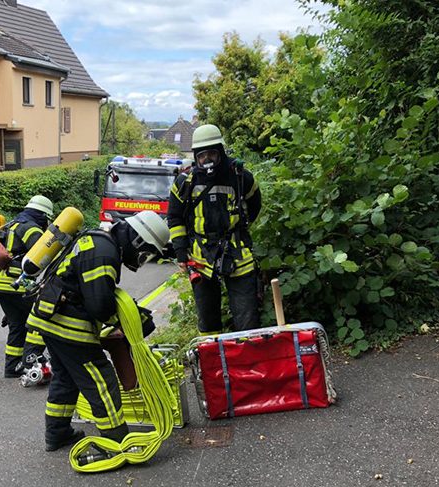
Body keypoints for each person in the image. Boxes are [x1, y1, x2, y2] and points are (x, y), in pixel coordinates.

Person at [26, 210, 170, 452]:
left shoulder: (97, 241)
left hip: (52, 321)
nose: (142, 258)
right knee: (102, 381)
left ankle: (57, 433)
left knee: (66, 379)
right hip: (70, 328)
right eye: (145, 251)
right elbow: (99, 304)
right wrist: (130, 319)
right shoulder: (104, 252)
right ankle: (116, 441)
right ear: (136, 240)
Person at [168, 124, 262, 335]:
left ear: (220, 151)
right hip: (200, 257)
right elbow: (174, 218)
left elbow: (255, 205)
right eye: (202, 155)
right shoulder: (185, 181)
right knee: (208, 320)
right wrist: (181, 253)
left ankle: (246, 362)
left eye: (212, 153)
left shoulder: (240, 177)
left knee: (247, 318)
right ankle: (213, 363)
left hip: (238, 255)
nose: (207, 160)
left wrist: (240, 231)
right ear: (195, 156)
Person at [0, 195, 54, 378]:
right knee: (39, 320)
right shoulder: (31, 228)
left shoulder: (12, 224)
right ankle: (31, 362)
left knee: (17, 324)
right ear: (42, 214)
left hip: (1, 284)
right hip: (18, 284)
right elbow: (44, 255)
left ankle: (12, 368)